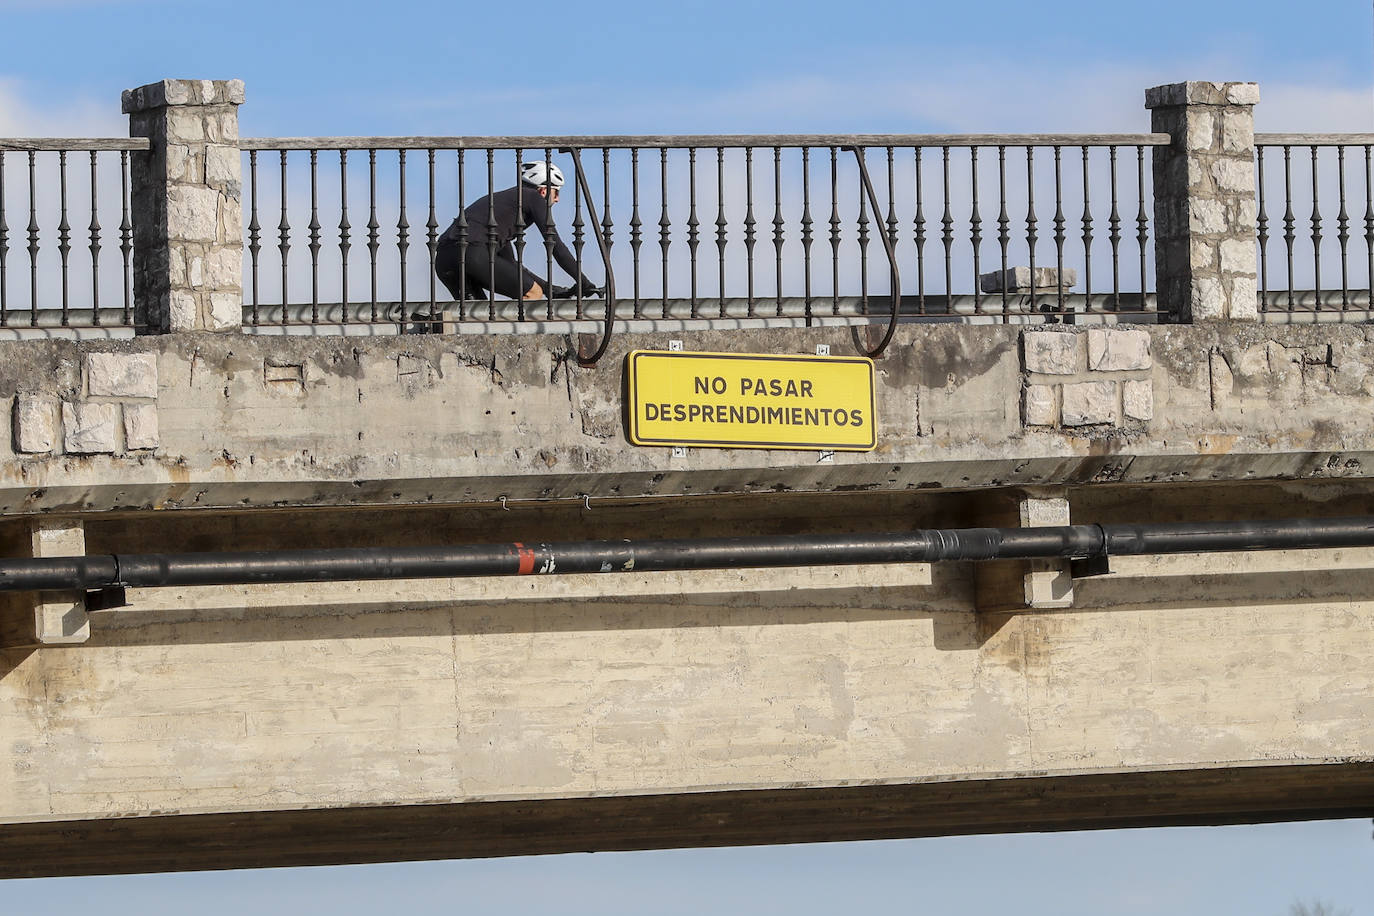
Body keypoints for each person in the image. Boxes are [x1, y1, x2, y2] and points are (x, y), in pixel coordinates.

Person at [434, 160, 602, 304]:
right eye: (556, 191)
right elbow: (556, 246)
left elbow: (511, 265)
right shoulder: (533, 197)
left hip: (444, 258)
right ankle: (519, 342)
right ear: (543, 190)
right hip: (472, 253)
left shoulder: (504, 210)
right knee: (532, 293)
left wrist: (551, 290)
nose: (557, 198)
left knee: (478, 316)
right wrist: (584, 282)